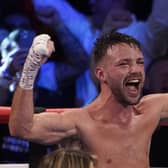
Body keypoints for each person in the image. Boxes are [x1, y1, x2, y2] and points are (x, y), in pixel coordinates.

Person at [9, 31, 168, 168]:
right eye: (123, 64)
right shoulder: (82, 122)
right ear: (101, 74)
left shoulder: (150, 110)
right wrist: (31, 67)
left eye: (140, 62)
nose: (136, 70)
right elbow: (22, 128)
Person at [32, 0, 168, 106]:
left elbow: (161, 22)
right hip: (79, 129)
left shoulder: (141, 35)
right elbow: (48, 5)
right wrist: (106, 32)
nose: (91, 1)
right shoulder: (86, 31)